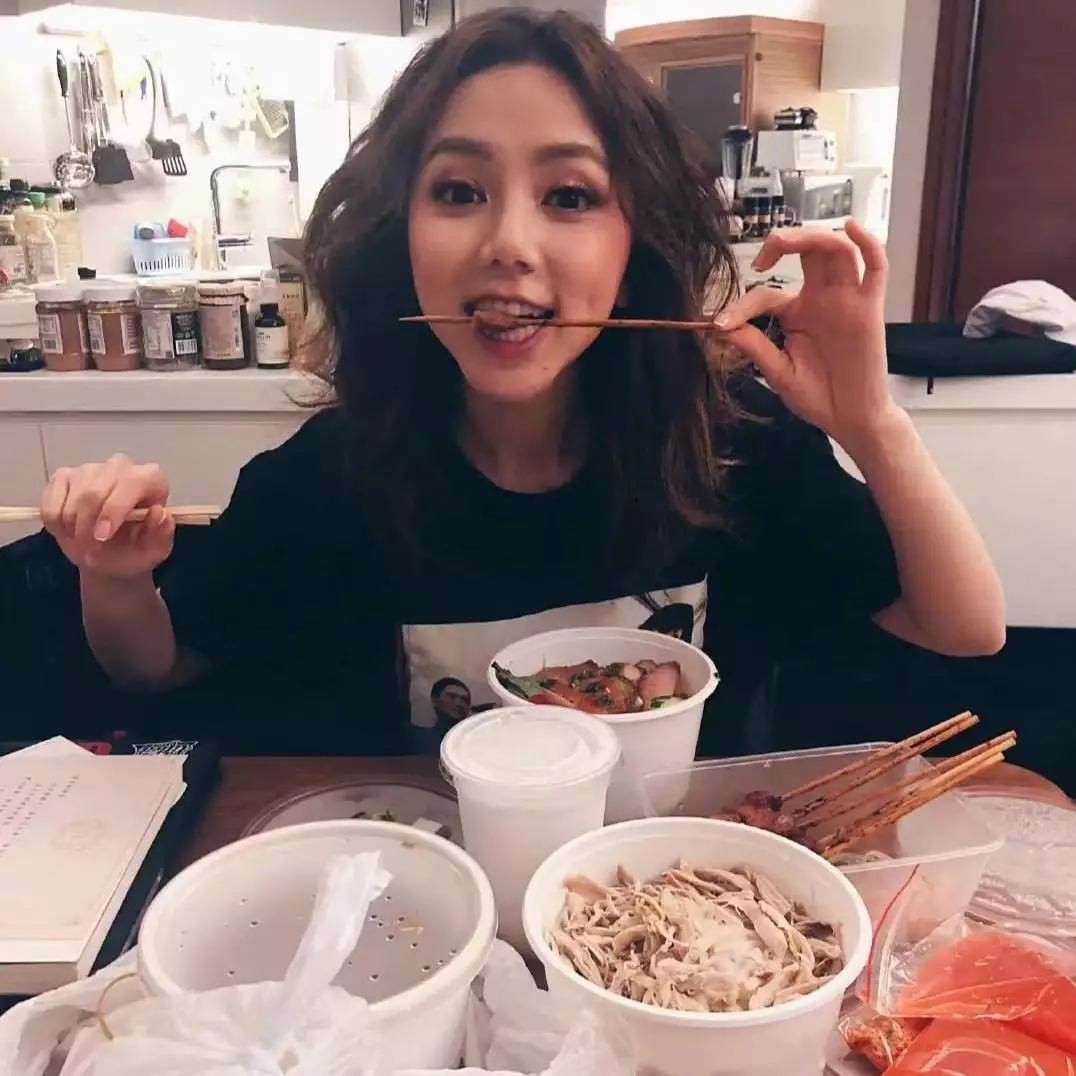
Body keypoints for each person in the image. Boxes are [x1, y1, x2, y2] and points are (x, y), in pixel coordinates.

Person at [39, 9, 1004, 756]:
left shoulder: (729, 446)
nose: (508, 243)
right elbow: (156, 671)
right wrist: (113, 577)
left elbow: (966, 629)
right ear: (401, 233)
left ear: (634, 246)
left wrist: (873, 422)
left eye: (570, 196)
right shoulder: (328, 479)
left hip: (688, 896)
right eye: (459, 191)